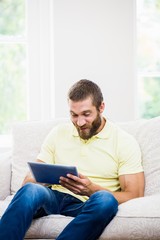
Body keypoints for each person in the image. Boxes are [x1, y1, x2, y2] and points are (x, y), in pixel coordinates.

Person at [0, 79, 144, 240]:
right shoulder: (58, 133)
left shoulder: (124, 141)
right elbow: (29, 181)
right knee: (30, 190)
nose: (80, 122)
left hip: (88, 203)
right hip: (55, 197)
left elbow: (134, 195)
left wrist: (91, 189)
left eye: (86, 114)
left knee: (106, 200)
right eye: (74, 115)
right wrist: (43, 179)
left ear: (101, 107)